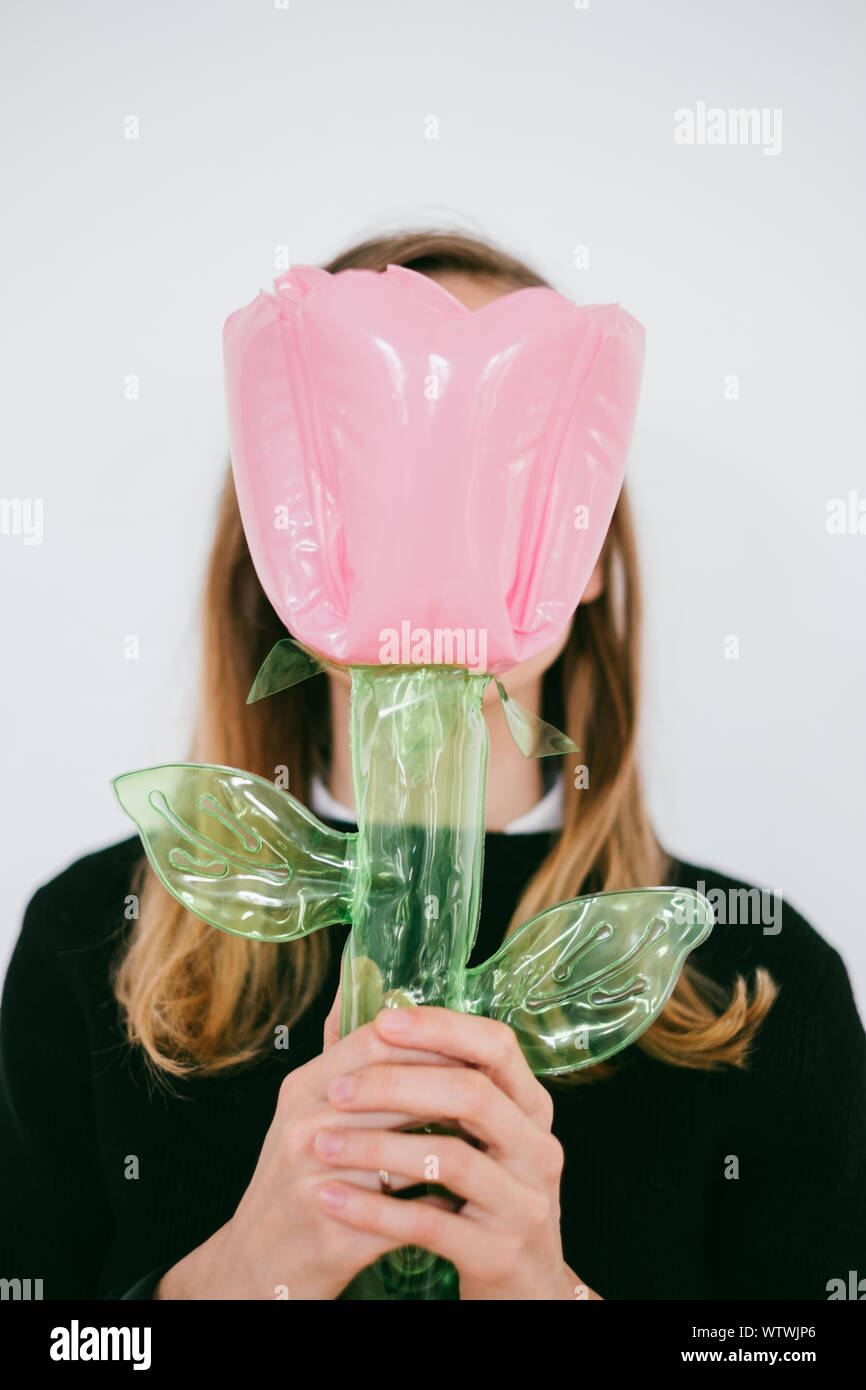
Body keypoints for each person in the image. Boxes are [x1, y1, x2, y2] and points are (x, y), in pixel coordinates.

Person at [2, 230, 864, 1301]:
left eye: (502, 461)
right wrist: (222, 1285)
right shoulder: (93, 939)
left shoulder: (760, 980)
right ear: (284, 537)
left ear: (586, 546)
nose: (439, 532)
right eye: (380, 471)